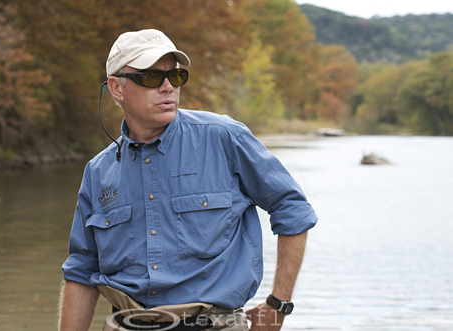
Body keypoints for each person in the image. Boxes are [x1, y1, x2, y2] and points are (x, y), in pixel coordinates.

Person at [59, 29, 317, 331]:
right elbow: (82, 269)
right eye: (152, 77)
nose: (168, 87)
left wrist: (278, 305)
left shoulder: (224, 138)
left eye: (175, 76)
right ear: (117, 88)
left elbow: (293, 209)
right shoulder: (97, 172)